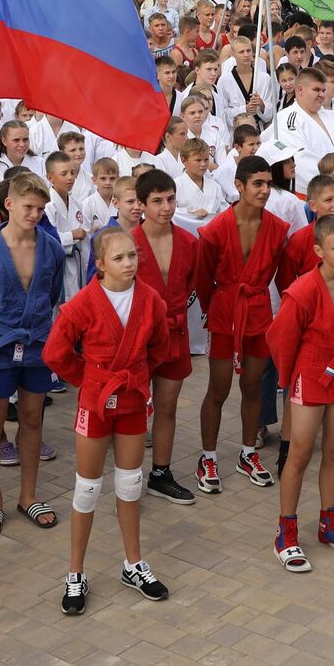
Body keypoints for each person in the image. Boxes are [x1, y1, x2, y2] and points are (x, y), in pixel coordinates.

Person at [44, 229, 178, 612]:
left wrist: (138, 377)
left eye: (133, 255)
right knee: (87, 489)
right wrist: (89, 381)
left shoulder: (150, 300)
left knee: (130, 483)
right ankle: (75, 572)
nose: (129, 263)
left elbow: (159, 348)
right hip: (96, 400)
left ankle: (133, 563)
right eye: (119, 258)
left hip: (133, 398)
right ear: (100, 264)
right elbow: (56, 353)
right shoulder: (83, 303)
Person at [0, 172, 67, 534]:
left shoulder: (50, 247)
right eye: (28, 207)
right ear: (8, 204)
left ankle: (28, 495)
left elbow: (52, 293)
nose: (34, 214)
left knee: (33, 418)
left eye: (40, 208)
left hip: (38, 343)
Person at [266, 215, 334, 572]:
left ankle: (330, 522)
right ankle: (287, 529)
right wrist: (291, 378)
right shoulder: (301, 291)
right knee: (299, 453)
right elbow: (280, 339)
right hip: (310, 372)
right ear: (318, 251)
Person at [193, 155, 287, 493]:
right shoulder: (216, 228)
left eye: (267, 184)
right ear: (239, 186)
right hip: (225, 312)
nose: (264, 190)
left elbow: (282, 276)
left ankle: (248, 452)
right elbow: (202, 279)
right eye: (257, 184)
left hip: (259, 312)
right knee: (217, 389)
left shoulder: (277, 228)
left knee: (252, 388)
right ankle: (207, 456)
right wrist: (215, 308)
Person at [130, 169, 201, 504]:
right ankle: (128, 475)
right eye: (156, 201)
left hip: (175, 334)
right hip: (138, 339)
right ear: (141, 204)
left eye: (170, 199)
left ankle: (160, 472)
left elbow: (190, 285)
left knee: (167, 406)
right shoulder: (126, 243)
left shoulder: (188, 242)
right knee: (131, 409)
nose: (166, 207)